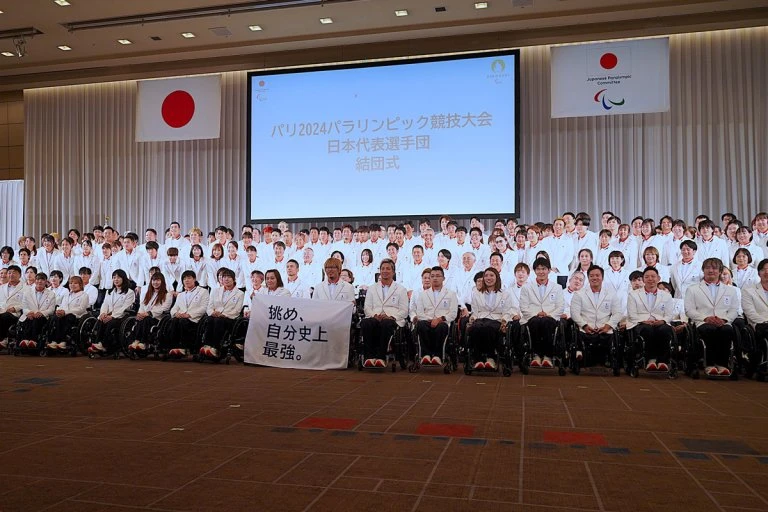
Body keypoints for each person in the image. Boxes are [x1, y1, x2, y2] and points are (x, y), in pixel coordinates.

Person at [684, 258, 740, 376]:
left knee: (727, 330)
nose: (711, 270)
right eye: (707, 268)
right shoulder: (693, 289)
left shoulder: (731, 290)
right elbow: (689, 310)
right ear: (703, 270)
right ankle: (709, 364)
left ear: (720, 271)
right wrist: (705, 318)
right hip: (702, 322)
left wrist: (724, 319)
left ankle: (722, 364)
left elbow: (734, 310)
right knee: (710, 329)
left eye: (714, 268)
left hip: (723, 321)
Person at [466, 267, 518, 370]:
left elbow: (507, 312)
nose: (488, 278)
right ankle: (478, 359)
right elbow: (475, 312)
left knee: (489, 328)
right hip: (480, 319)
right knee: (476, 328)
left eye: (491, 275)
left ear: (497, 277)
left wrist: (504, 322)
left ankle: (491, 358)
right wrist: (472, 319)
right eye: (486, 276)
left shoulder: (505, 294)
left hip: (496, 320)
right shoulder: (477, 294)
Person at [570, 265, 622, 367]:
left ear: (602, 277)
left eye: (597, 275)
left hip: (605, 328)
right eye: (591, 276)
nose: (594, 278)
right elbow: (574, 313)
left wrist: (608, 325)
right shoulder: (579, 294)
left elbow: (618, 313)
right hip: (586, 328)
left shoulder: (611, 294)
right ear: (588, 278)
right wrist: (584, 325)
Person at [361, 259, 409, 368]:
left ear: (393, 272)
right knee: (365, 323)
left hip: (392, 319)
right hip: (375, 317)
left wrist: (392, 317)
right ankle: (369, 357)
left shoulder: (401, 289)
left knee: (386, 323)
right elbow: (367, 308)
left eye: (388, 268)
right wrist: (374, 315)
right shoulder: (372, 288)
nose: (385, 271)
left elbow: (404, 310)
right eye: (382, 269)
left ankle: (381, 357)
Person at [626, 267, 676, 371]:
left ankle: (663, 361)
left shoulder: (666, 295)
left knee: (665, 329)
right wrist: (643, 321)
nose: (650, 279)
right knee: (647, 329)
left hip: (660, 323)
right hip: (640, 323)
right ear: (643, 279)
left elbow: (669, 315)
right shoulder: (633, 294)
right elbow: (632, 314)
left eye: (653, 276)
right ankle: (651, 360)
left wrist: (662, 321)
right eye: (647, 277)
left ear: (658, 278)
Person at [520, 257, 565, 368]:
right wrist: (536, 314)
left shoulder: (557, 287)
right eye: (538, 269)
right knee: (536, 322)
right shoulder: (526, 287)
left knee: (546, 322)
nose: (541, 272)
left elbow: (560, 307)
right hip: (532, 317)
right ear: (535, 271)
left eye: (543, 269)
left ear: (549, 270)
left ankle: (547, 356)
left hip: (550, 317)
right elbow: (523, 307)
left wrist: (549, 315)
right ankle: (536, 355)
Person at [413, 266, 459, 366]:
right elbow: (420, 313)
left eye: (438, 276)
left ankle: (438, 356)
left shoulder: (451, 294)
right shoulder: (423, 294)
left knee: (441, 326)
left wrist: (439, 319)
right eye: (432, 276)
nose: (435, 278)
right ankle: (425, 355)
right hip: (427, 321)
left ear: (443, 278)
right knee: (421, 325)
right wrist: (430, 320)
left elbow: (453, 313)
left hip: (443, 322)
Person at [200, 268, 244, 359]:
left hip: (229, 319)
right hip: (215, 316)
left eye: (229, 277)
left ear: (234, 279)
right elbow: (209, 306)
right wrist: (212, 312)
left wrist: (224, 314)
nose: (226, 279)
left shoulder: (240, 294)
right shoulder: (215, 290)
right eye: (224, 277)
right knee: (209, 319)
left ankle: (215, 348)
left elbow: (237, 310)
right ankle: (207, 345)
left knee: (219, 321)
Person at [164, 270, 210, 357]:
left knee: (183, 321)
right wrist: (176, 313)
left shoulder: (203, 291)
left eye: (189, 278)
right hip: (181, 318)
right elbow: (174, 309)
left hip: (195, 319)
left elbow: (204, 308)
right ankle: (173, 347)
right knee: (174, 320)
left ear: (194, 279)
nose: (186, 280)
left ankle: (184, 347)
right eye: (184, 279)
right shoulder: (181, 295)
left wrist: (189, 315)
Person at [89, 269, 135, 354]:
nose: (116, 279)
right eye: (114, 277)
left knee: (110, 322)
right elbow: (105, 304)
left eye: (118, 277)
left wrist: (112, 316)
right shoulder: (109, 291)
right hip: (109, 314)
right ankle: (98, 343)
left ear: (124, 279)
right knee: (101, 320)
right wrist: (103, 313)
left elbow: (125, 307)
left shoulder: (129, 292)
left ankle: (104, 345)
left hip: (122, 316)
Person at [128, 272, 174, 353]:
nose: (155, 282)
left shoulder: (167, 295)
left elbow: (165, 308)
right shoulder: (148, 293)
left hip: (158, 319)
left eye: (158, 280)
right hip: (145, 316)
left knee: (146, 319)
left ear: (162, 281)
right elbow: (142, 305)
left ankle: (144, 342)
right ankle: (136, 341)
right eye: (153, 280)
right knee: (139, 319)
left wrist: (149, 313)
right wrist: (140, 313)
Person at [46, 275, 90, 351]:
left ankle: (63, 341)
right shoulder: (67, 294)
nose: (73, 285)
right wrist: (59, 311)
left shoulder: (84, 295)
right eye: (71, 283)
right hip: (64, 314)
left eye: (75, 283)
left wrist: (65, 312)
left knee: (68, 317)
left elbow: (81, 309)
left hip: (77, 317)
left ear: (80, 284)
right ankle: (54, 341)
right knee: (55, 317)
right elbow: (63, 305)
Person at [15, 272, 56, 350]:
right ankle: (25, 340)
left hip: (43, 317)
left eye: (42, 279)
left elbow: (51, 310)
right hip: (29, 315)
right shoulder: (27, 292)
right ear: (35, 281)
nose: (39, 281)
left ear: (46, 282)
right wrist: (29, 312)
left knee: (36, 320)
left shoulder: (51, 294)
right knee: (29, 319)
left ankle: (33, 340)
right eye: (37, 279)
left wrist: (41, 313)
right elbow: (24, 307)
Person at [0, 265, 25, 349]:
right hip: (2, 310)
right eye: (9, 273)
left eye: (14, 273)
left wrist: (15, 308)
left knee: (4, 317)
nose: (11, 275)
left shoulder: (25, 288)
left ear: (20, 275)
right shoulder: (2, 287)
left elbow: (27, 303)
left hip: (14, 313)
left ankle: (3, 340)